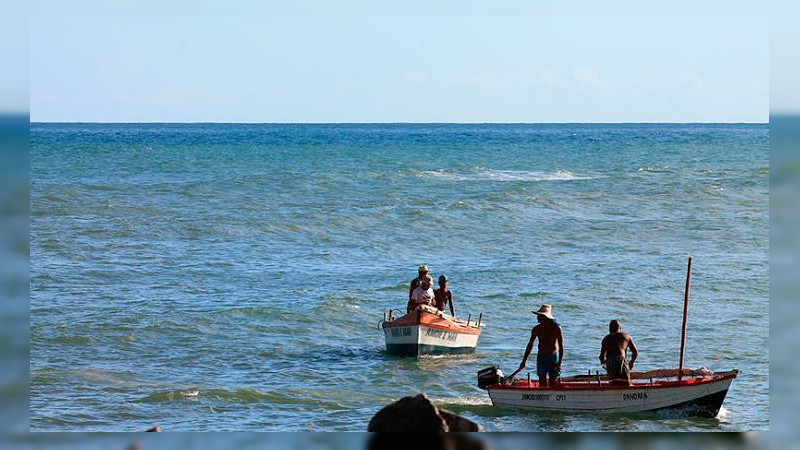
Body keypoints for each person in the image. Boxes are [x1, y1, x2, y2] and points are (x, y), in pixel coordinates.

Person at [517, 304, 564, 387]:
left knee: (553, 381)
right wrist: (524, 361)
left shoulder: (556, 328)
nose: (537, 318)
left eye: (540, 316)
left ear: (545, 317)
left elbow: (561, 345)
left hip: (553, 357)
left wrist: (559, 363)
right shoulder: (537, 329)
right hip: (541, 357)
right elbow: (530, 345)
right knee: (542, 381)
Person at [599, 319, 639, 385]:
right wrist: (631, 362)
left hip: (610, 363)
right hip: (621, 361)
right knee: (626, 384)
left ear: (609, 329)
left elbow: (601, 357)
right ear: (620, 328)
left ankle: (613, 393)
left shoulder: (606, 339)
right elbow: (635, 352)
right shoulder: (626, 337)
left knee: (613, 383)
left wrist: (605, 364)